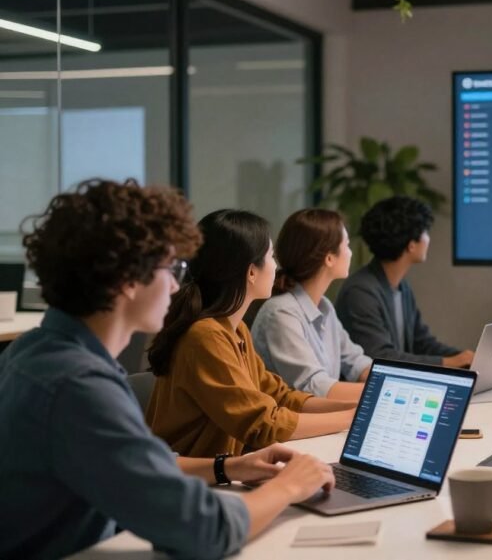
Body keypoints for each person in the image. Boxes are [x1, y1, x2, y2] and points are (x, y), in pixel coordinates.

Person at [0, 180, 334, 559]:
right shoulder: (78, 386)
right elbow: (203, 529)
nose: (177, 282)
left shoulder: (36, 351)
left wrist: (232, 466)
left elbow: (140, 465)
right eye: (170, 266)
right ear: (127, 280)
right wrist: (289, 486)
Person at [146, 209, 354, 458]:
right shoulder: (205, 336)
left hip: (222, 474)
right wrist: (350, 419)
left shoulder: (235, 329)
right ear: (251, 272)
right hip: (192, 484)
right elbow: (263, 424)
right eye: (271, 257)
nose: (277, 267)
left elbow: (281, 397)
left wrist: (354, 409)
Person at [336, 196, 473, 369]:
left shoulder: (401, 287)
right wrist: (450, 362)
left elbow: (422, 343)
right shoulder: (360, 292)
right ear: (411, 245)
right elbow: (380, 357)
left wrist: (466, 359)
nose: (428, 239)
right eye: (425, 232)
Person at [252, 209, 371, 397]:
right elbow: (313, 385)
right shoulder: (280, 313)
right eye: (346, 245)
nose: (350, 253)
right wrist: (381, 392)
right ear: (329, 258)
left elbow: (356, 362)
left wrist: (395, 383)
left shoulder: (325, 306)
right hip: (292, 423)